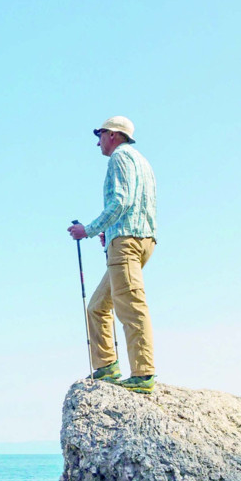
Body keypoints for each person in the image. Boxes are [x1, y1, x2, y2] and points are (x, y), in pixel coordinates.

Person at [67, 116, 157, 393]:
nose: (98, 141)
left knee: (131, 306)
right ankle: (106, 366)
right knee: (97, 306)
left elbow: (121, 200)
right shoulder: (143, 163)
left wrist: (90, 229)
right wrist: (113, 229)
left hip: (127, 244)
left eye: (100, 134)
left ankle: (143, 375)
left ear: (114, 135)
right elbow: (137, 205)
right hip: (140, 239)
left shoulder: (119, 158)